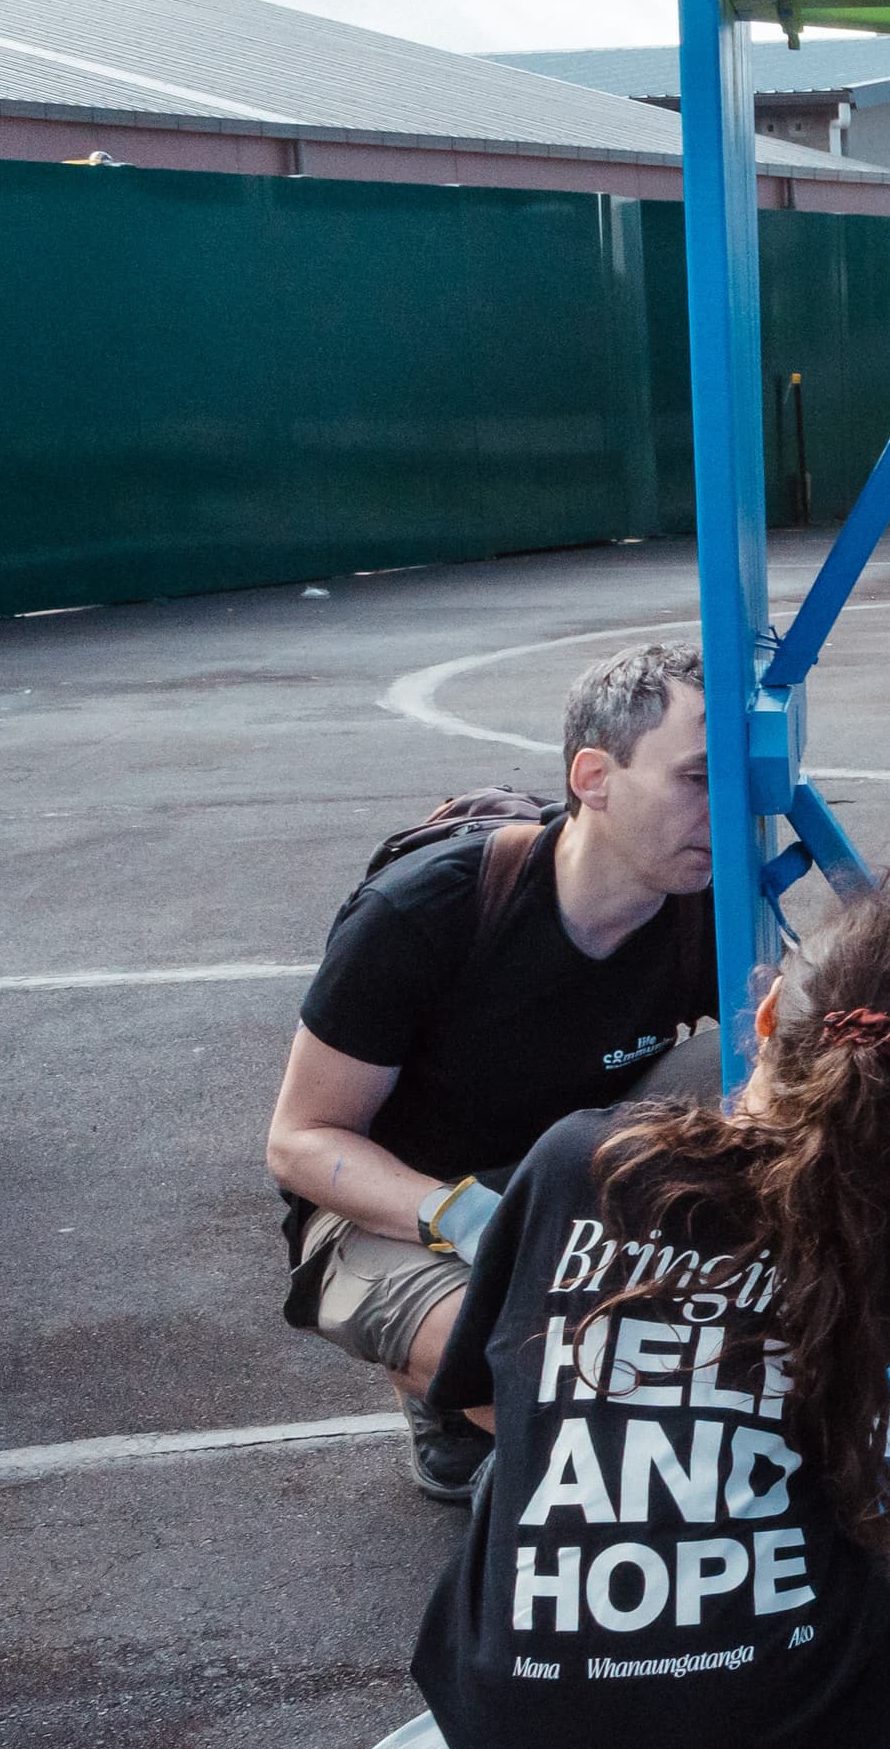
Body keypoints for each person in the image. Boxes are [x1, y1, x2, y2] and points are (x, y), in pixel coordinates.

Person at [414, 885, 890, 1749]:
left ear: (760, 1022)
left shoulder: (577, 1157)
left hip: (512, 1719)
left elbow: (473, 1399)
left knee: (533, 1461)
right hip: (747, 1731)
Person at [267, 643, 718, 1501]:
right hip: (395, 1209)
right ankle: (444, 1396)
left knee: (754, 1063)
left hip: (570, 1184)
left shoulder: (708, 907)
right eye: (697, 779)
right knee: (583, 1404)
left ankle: (545, 1365)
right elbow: (298, 1141)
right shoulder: (425, 909)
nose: (729, 809)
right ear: (595, 776)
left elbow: (813, 1068)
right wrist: (462, 1214)